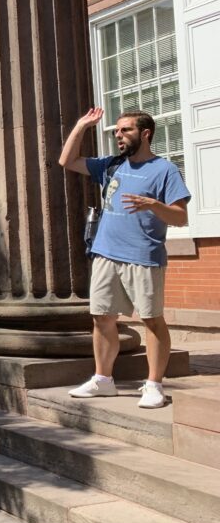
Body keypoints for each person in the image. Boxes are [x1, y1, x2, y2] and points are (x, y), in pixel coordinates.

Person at [59, 108, 191, 409]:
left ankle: (154, 384)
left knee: (151, 319)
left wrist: (153, 204)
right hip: (106, 252)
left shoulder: (164, 170)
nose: (119, 136)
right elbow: (67, 161)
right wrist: (80, 125)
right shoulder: (112, 165)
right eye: (117, 131)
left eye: (126, 130)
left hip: (143, 255)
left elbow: (181, 217)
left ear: (145, 134)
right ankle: (103, 380)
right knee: (102, 317)